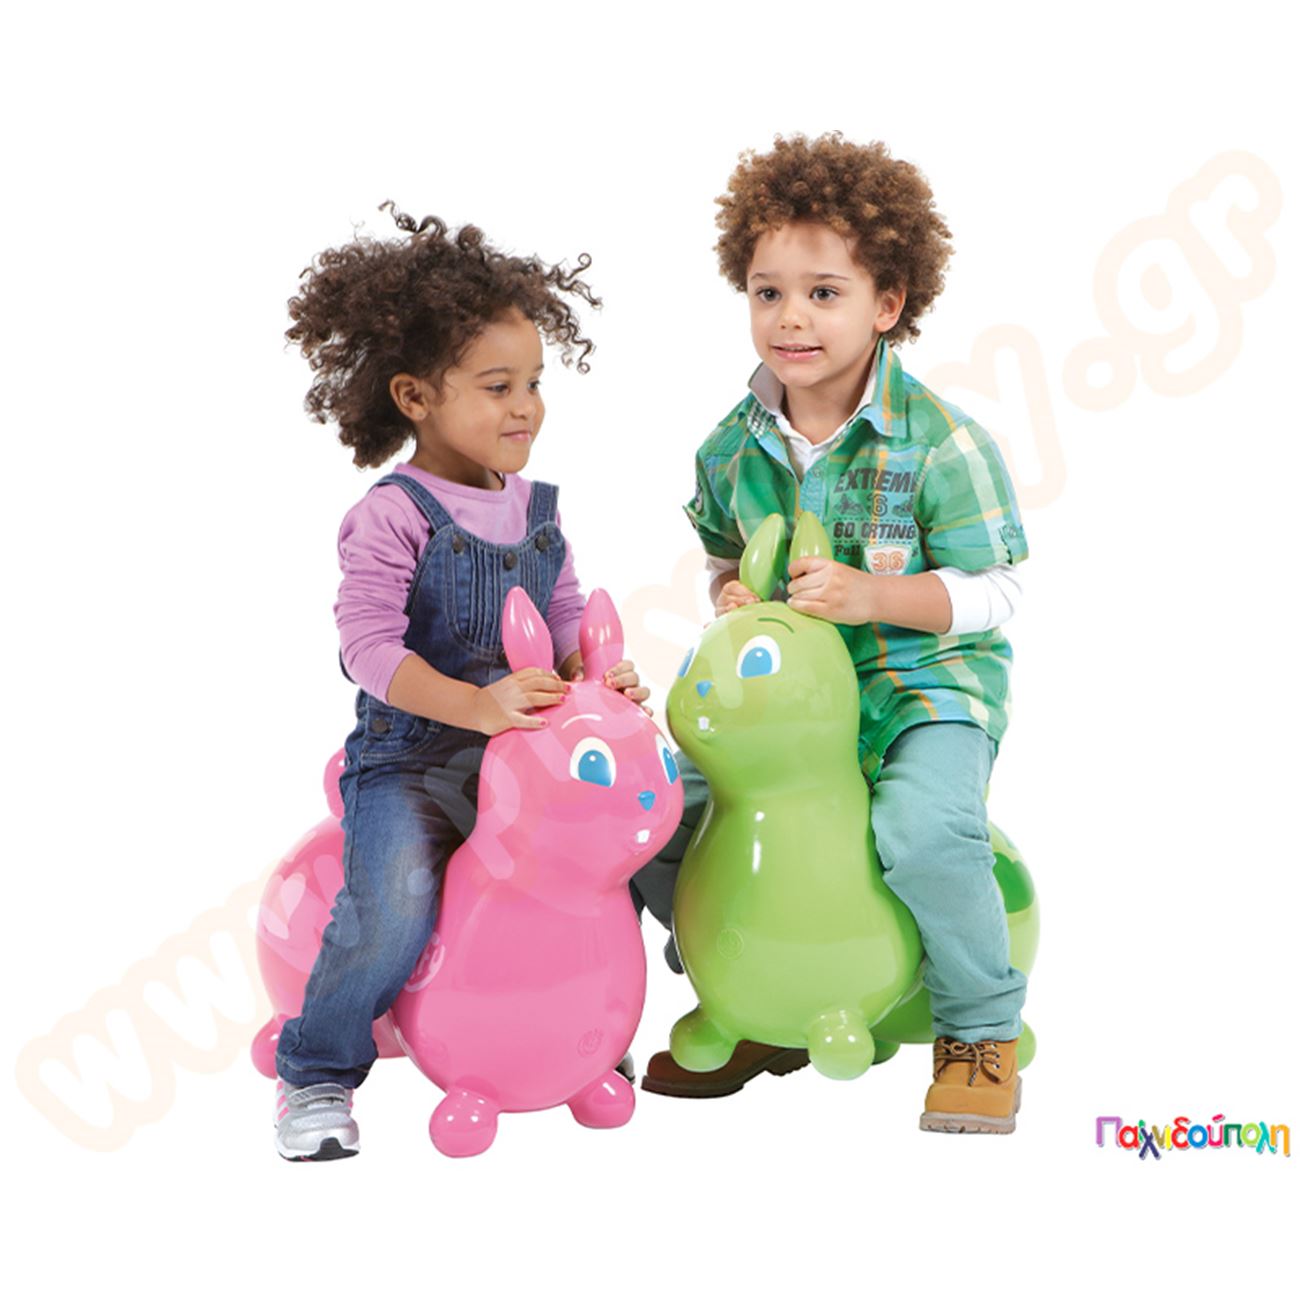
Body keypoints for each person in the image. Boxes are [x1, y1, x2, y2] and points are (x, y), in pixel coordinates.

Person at [633, 135, 1031, 1133]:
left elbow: (996, 593)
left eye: (823, 293)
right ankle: (762, 996)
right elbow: (727, 559)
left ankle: (979, 1027)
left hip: (916, 689)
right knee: (655, 819)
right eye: (768, 293)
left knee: (922, 833)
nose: (791, 318)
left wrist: (874, 598)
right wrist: (733, 593)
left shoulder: (940, 441)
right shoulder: (730, 447)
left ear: (886, 303)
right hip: (784, 708)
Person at [273, 204, 651, 1160]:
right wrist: (476, 705)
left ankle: (577, 1025)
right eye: (497, 386)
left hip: (526, 766)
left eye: (534, 382)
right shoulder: (393, 514)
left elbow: (562, 624)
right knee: (392, 902)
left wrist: (594, 680)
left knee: (622, 851)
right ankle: (316, 1069)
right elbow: (366, 649)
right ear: (414, 396)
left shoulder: (539, 510)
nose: (526, 406)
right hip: (414, 762)